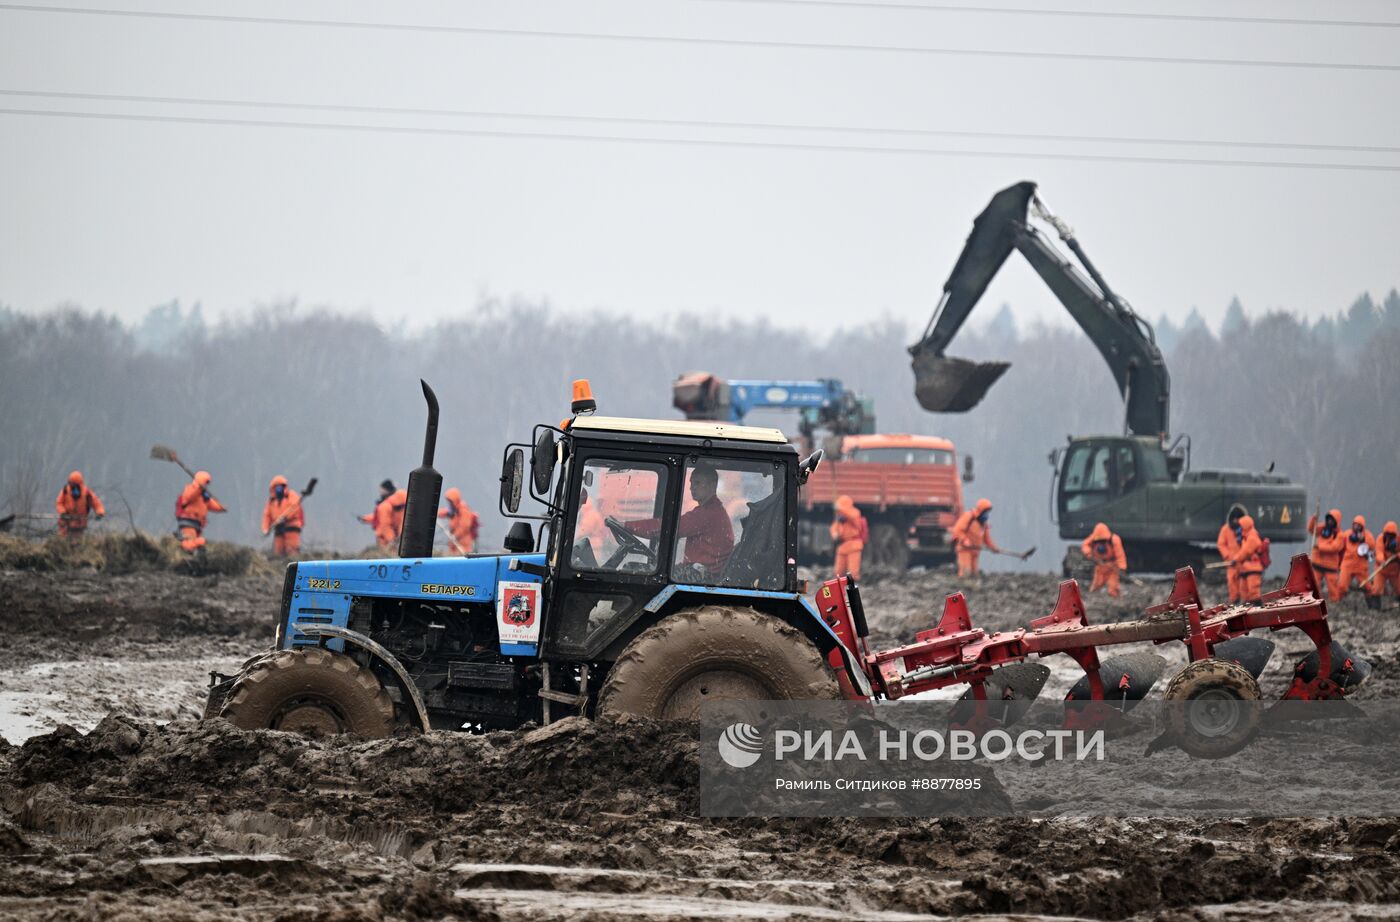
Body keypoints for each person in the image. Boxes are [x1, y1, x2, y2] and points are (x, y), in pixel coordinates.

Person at [629, 464, 733, 575]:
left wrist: (626, 526)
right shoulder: (712, 510)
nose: (691, 487)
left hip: (703, 576)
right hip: (699, 572)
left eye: (697, 483)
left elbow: (665, 528)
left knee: (631, 569)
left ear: (712, 485)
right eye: (691, 483)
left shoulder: (708, 513)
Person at [175, 470, 226, 552]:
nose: (207, 485)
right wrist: (199, 489)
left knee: (197, 542)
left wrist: (222, 508)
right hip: (188, 520)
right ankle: (183, 547)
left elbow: (213, 505)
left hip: (197, 524)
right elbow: (188, 497)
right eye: (206, 482)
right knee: (193, 541)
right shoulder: (190, 489)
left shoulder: (204, 496)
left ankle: (189, 552)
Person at [951, 498, 1000, 578]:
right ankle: (962, 587)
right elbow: (957, 530)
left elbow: (986, 538)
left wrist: (993, 548)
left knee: (974, 574)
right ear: (981, 510)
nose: (986, 514)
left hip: (975, 551)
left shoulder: (984, 523)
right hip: (965, 549)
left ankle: (971, 588)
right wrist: (964, 540)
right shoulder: (969, 516)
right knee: (965, 572)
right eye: (985, 511)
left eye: (987, 512)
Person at [1332, 514, 1376, 602]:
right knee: (1342, 586)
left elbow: (1372, 545)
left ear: (1362, 527)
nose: (1356, 527)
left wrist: (1363, 539)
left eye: (1359, 525)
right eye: (1355, 524)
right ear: (1352, 525)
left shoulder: (1367, 535)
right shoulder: (1347, 534)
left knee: (1367, 587)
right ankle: (1337, 602)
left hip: (1361, 567)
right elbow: (1339, 545)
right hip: (1347, 565)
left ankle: (1372, 604)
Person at [1306, 508, 1347, 599]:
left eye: (1332, 520)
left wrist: (1319, 547)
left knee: (1333, 589)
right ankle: (1316, 604)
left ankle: (1336, 604)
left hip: (1330, 566)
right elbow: (1312, 529)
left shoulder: (1340, 535)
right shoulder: (1322, 528)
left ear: (1337, 521)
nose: (1329, 521)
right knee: (1314, 586)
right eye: (1329, 519)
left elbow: (1335, 548)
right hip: (1317, 564)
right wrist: (1314, 518)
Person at [260, 475, 304, 557]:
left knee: (292, 551)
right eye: (276, 487)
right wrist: (265, 529)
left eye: (281, 486)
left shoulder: (292, 496)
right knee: (278, 553)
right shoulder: (271, 502)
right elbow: (267, 516)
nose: (279, 489)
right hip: (278, 529)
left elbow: (295, 508)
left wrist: (285, 518)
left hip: (291, 528)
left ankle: (294, 567)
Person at [1080, 522, 1127, 598]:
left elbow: (1120, 555)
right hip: (1100, 566)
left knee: (1113, 587)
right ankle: (1092, 599)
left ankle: (1114, 600)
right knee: (1096, 585)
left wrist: (1122, 568)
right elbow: (1084, 545)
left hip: (1112, 566)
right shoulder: (1093, 539)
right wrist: (1089, 555)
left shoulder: (1114, 539)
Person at [54, 470, 104, 539]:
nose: (72, 486)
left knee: (77, 543)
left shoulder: (86, 492)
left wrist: (100, 513)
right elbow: (59, 503)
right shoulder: (65, 490)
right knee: (63, 541)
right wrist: (63, 512)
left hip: (80, 523)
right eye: (71, 484)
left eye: (74, 484)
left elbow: (96, 503)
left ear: (79, 484)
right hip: (66, 522)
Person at [360, 479, 407, 549]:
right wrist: (366, 518)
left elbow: (384, 524)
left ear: (385, 490)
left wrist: (391, 541)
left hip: (387, 542)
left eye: (381, 490)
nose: (380, 492)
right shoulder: (404, 497)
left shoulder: (384, 506)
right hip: (403, 535)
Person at [829, 495, 867, 581]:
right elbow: (834, 527)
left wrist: (839, 508)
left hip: (853, 545)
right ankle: (839, 592)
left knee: (853, 574)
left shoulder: (855, 513)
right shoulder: (840, 517)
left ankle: (853, 593)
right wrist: (834, 534)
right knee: (838, 573)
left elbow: (852, 516)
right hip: (842, 545)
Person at [1229, 515, 1266, 603]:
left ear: (1245, 525)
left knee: (1254, 592)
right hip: (1246, 568)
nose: (1240, 528)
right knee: (1244, 592)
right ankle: (1247, 609)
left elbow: (1246, 551)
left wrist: (1236, 559)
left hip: (1253, 567)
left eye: (1241, 526)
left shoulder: (1252, 537)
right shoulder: (1246, 537)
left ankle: (1257, 610)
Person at [437, 487, 479, 555]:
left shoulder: (464, 510)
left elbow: (464, 527)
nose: (449, 503)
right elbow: (445, 512)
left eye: (450, 501)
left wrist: (455, 536)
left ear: (454, 500)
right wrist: (435, 513)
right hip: (455, 544)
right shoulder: (453, 509)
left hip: (463, 545)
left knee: (462, 560)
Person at [1217, 508, 1244, 603]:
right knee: (1232, 581)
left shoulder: (1245, 529)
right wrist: (1227, 556)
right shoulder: (1225, 529)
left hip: (1243, 561)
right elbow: (1221, 544)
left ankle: (1244, 601)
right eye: (1235, 518)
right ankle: (1234, 601)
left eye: (1238, 518)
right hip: (1231, 562)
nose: (1236, 521)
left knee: (1244, 581)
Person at [1370, 521, 1400, 607]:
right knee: (1376, 589)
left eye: (1392, 535)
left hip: (1395, 572)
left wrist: (1397, 556)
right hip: (1381, 569)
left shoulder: (1399, 540)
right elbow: (1379, 552)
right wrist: (1382, 561)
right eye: (1387, 534)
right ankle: (1376, 608)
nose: (1389, 537)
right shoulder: (1380, 539)